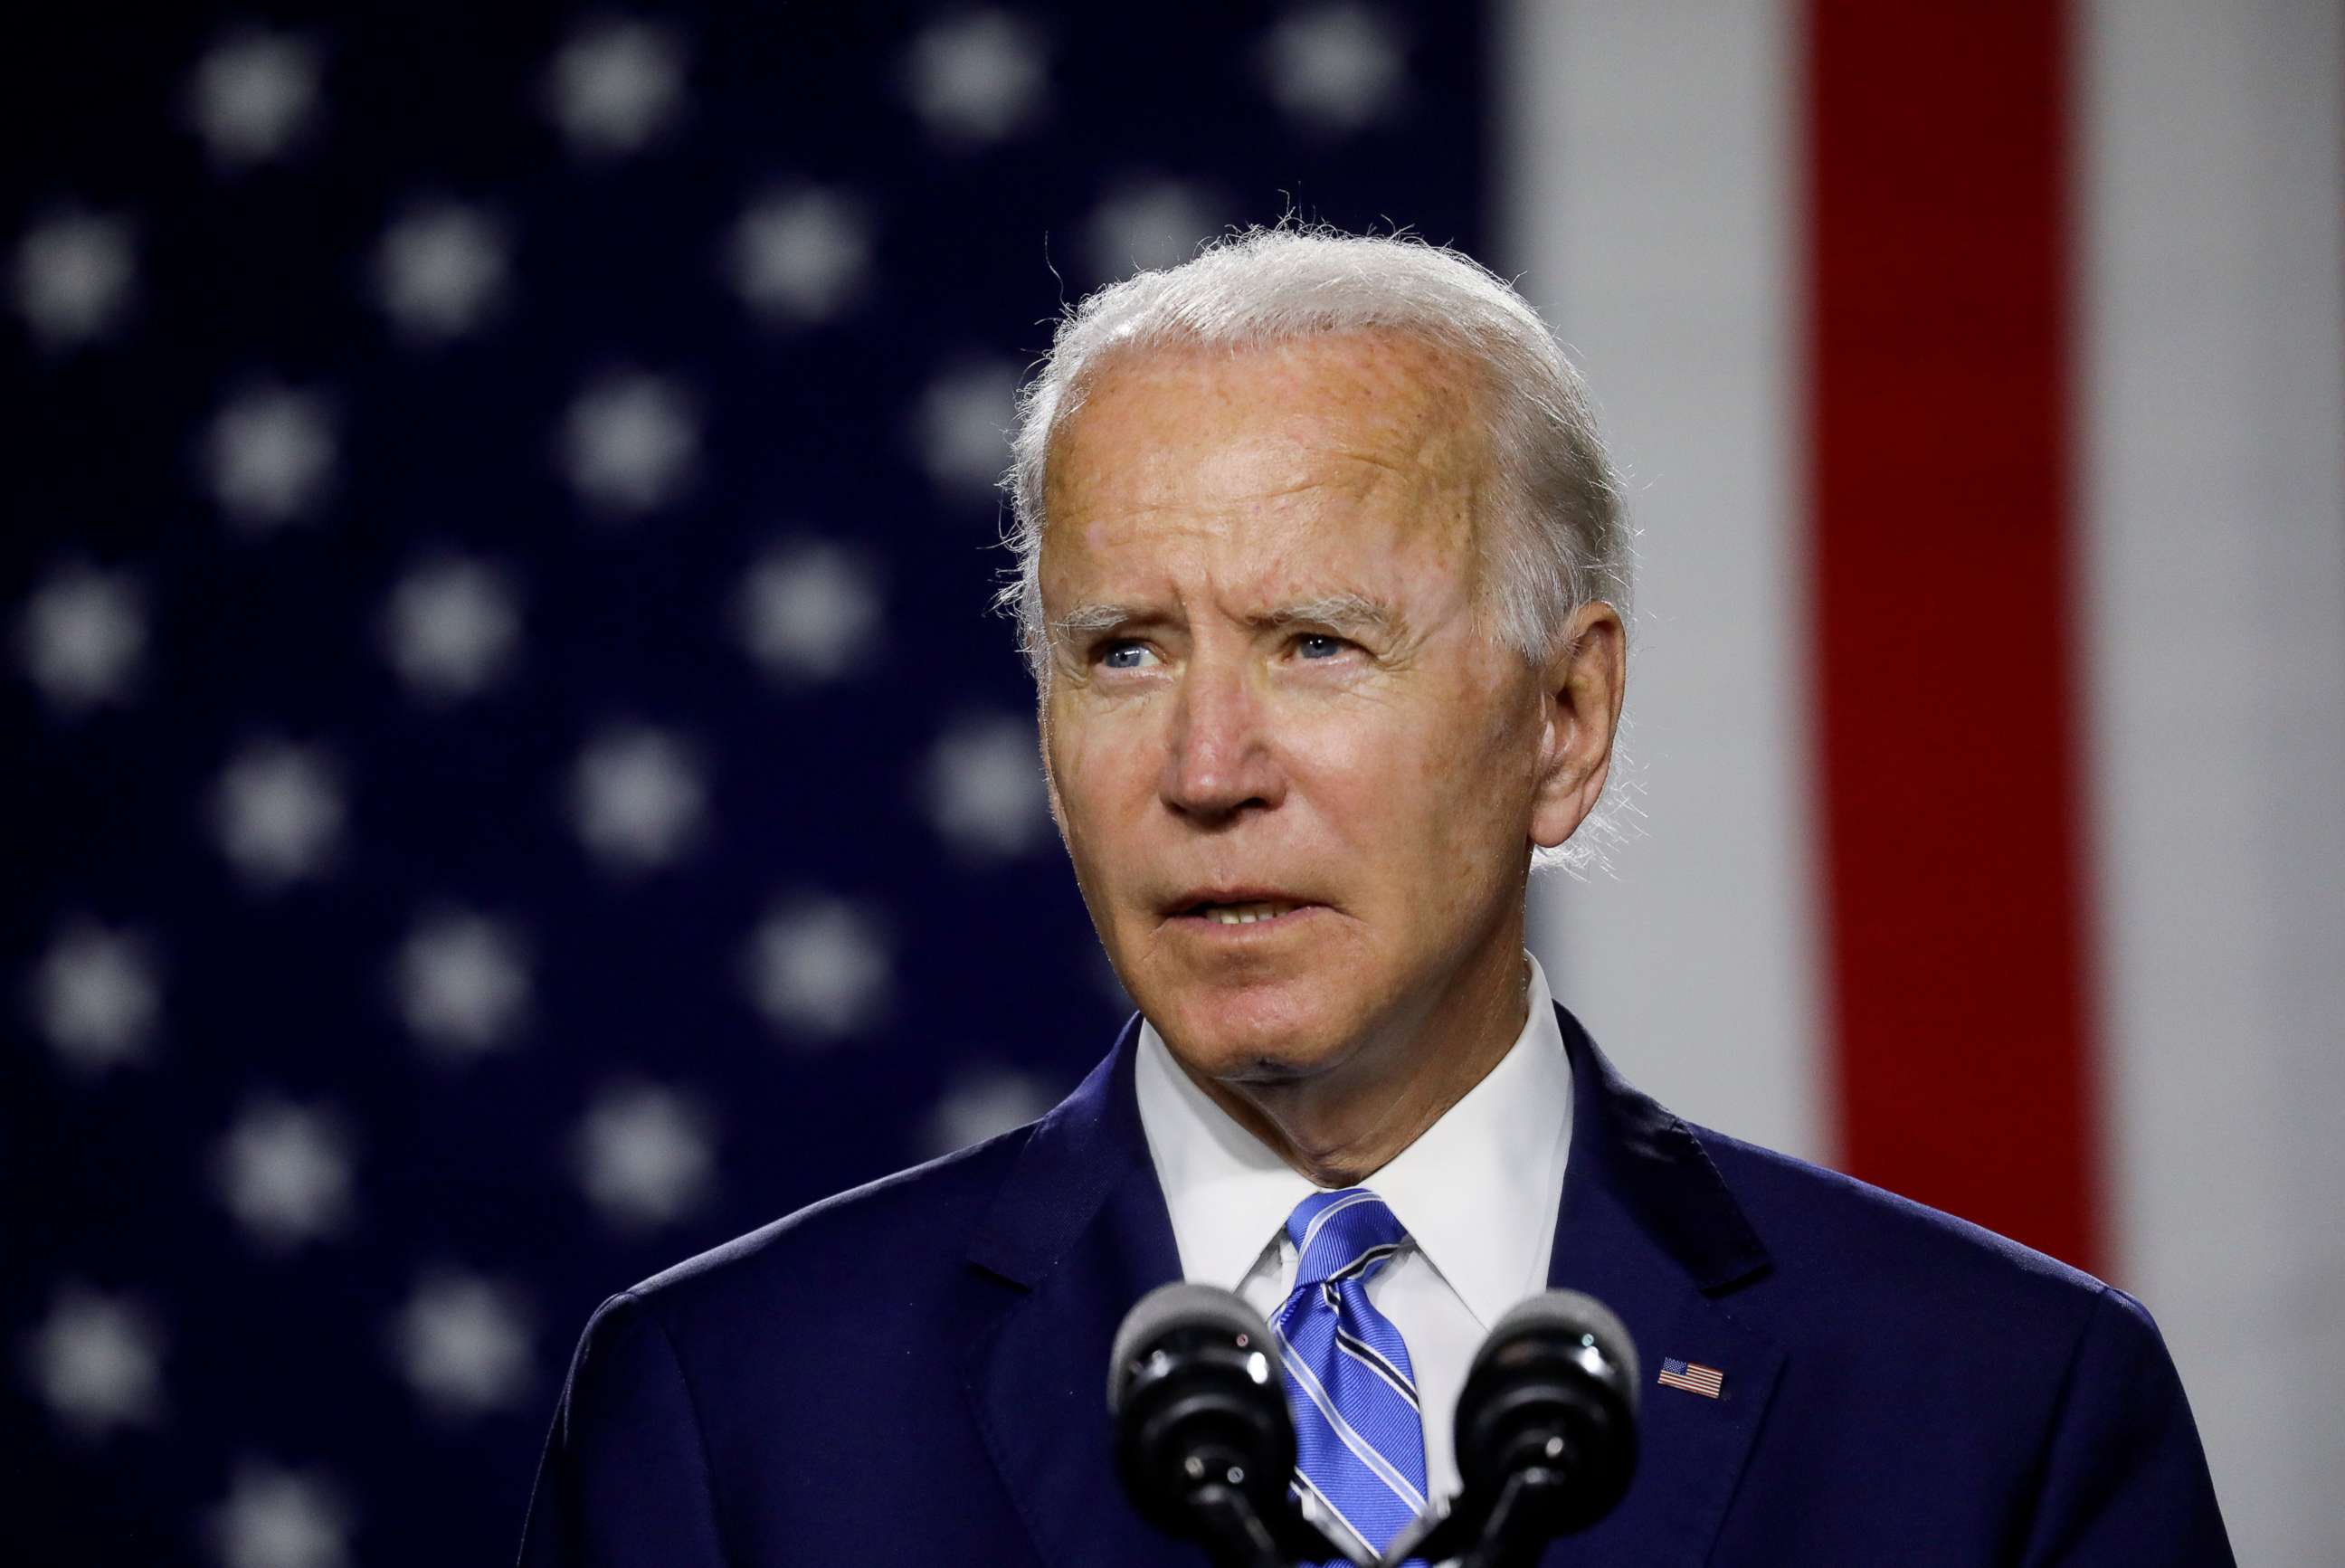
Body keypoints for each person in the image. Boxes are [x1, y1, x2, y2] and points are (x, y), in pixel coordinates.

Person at [516, 228, 2233, 1566]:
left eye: (1315, 645)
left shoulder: (2000, 1411)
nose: (1207, 767)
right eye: (1123, 651)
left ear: (1565, 722)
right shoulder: (734, 1413)